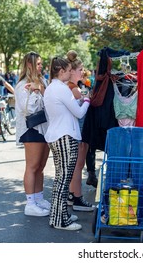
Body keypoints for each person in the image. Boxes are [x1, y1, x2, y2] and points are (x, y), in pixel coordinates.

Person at [44, 56, 90, 231]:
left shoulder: (52, 88)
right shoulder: (61, 89)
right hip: (65, 136)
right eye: (69, 70)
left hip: (57, 135)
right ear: (61, 71)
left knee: (61, 180)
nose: (71, 72)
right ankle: (59, 219)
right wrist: (86, 101)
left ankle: (59, 215)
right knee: (63, 180)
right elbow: (79, 113)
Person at [15, 52, 50, 217]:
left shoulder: (42, 81)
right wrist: (36, 91)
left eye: (41, 63)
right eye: (38, 64)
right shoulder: (22, 85)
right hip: (31, 129)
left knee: (41, 166)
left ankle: (38, 198)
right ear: (29, 65)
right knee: (32, 166)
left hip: (44, 127)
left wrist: (41, 88)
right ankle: (30, 204)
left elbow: (50, 100)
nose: (40, 66)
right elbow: (28, 109)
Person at [65, 50, 95, 212]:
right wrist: (88, 98)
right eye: (80, 69)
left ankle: (72, 195)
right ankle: (77, 198)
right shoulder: (73, 88)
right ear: (72, 71)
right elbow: (81, 111)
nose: (83, 72)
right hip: (78, 130)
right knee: (78, 165)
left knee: (76, 164)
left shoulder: (72, 87)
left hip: (77, 129)